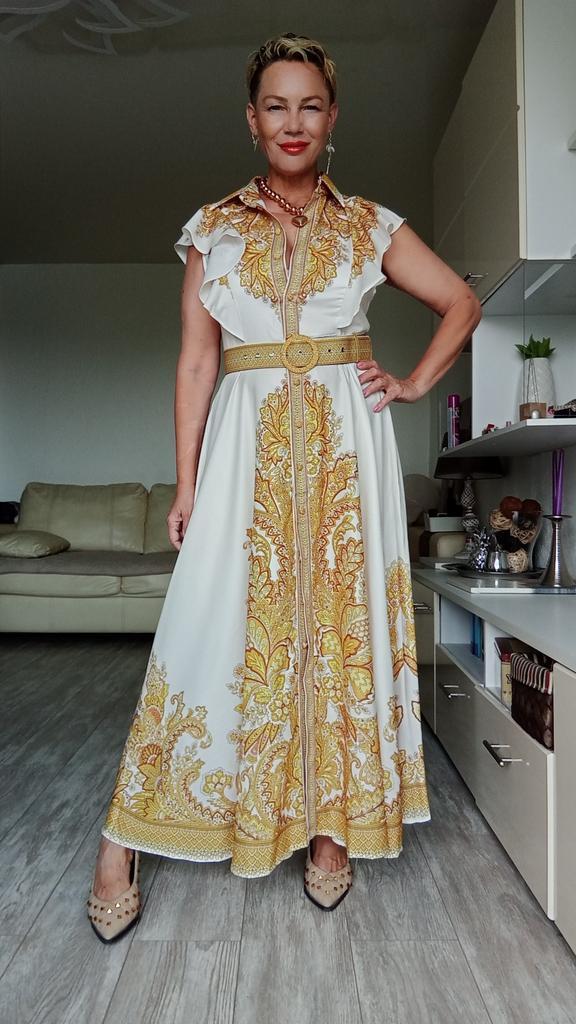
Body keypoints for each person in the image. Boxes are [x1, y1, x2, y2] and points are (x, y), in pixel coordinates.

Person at [87, 32, 481, 939]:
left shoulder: (369, 224)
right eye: (276, 105)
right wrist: (184, 484)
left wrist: (412, 383)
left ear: (332, 119)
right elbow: (197, 363)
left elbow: (460, 301)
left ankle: (329, 831)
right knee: (205, 625)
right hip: (243, 451)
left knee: (339, 630)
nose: (293, 122)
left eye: (309, 105)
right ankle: (125, 834)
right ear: (252, 119)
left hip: (347, 453)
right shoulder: (212, 229)